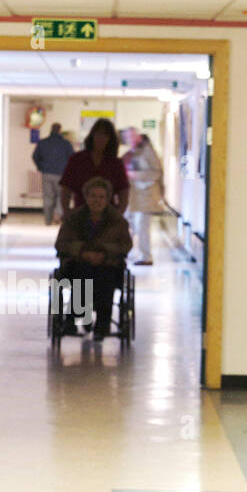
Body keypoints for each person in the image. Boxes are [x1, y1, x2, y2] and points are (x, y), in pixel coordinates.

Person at [54, 177, 133, 341]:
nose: (97, 200)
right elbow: (61, 244)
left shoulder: (118, 221)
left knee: (105, 275)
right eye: (93, 196)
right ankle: (77, 314)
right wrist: (82, 252)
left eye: (102, 197)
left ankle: (102, 324)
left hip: (108, 264)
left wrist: (104, 252)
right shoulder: (73, 218)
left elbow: (125, 245)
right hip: (78, 262)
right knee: (82, 270)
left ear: (108, 198)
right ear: (86, 197)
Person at [59, 117, 129, 216]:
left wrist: (118, 216)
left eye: (105, 135)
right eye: (98, 133)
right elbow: (66, 189)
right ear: (92, 135)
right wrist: (66, 212)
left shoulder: (115, 163)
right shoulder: (77, 159)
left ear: (110, 139)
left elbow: (124, 193)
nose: (101, 138)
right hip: (80, 215)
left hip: (108, 217)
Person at [125, 132, 164, 265]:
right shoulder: (135, 152)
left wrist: (136, 175)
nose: (128, 140)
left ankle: (145, 256)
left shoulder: (148, 151)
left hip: (146, 197)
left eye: (129, 137)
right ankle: (133, 253)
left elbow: (156, 172)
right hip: (137, 197)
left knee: (142, 226)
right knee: (134, 225)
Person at [31, 121, 74, 225]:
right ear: (60, 130)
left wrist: (40, 167)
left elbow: (35, 156)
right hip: (62, 174)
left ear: (51, 129)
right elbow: (72, 158)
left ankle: (48, 219)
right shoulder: (66, 144)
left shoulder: (42, 143)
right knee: (61, 196)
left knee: (48, 197)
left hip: (47, 173)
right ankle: (58, 214)